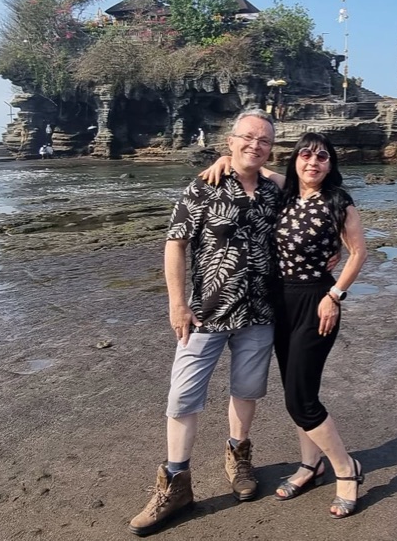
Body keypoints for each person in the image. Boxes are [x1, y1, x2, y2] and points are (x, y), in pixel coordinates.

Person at [129, 109, 282, 537]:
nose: (255, 145)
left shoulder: (274, 191)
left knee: (248, 390)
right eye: (247, 138)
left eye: (264, 140)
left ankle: (239, 457)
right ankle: (175, 483)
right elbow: (174, 245)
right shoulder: (203, 186)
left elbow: (312, 189)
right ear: (229, 140)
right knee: (184, 394)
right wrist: (177, 304)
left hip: (260, 312)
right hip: (206, 311)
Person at [203, 132, 368, 518]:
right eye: (306, 155)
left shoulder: (339, 201)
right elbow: (252, 166)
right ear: (295, 161)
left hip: (318, 303)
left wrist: (336, 295)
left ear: (331, 164)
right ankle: (311, 465)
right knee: (298, 389)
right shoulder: (286, 194)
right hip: (280, 303)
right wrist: (224, 161)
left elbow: (359, 251)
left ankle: (347, 470)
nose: (313, 162)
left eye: (322, 157)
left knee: (301, 398)